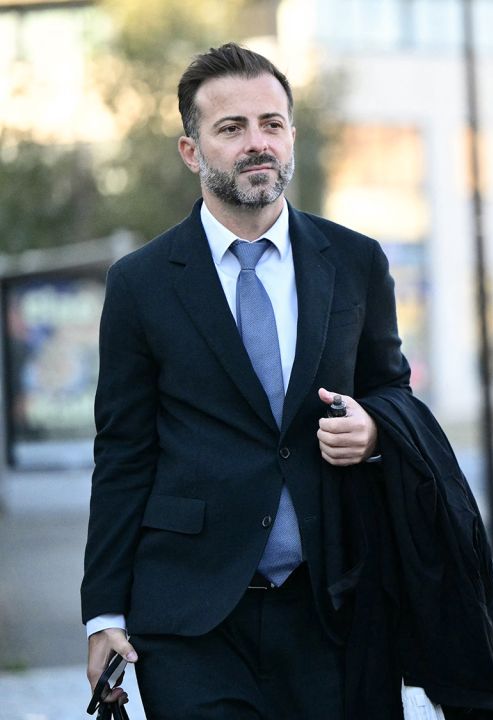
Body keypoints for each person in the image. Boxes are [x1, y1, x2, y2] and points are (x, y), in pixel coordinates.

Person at [80, 43, 413, 718]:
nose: (256, 143)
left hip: (335, 607)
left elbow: (393, 392)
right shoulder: (141, 284)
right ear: (191, 150)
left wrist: (375, 427)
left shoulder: (355, 261)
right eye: (231, 129)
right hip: (190, 618)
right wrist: (102, 613)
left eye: (271, 123)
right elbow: (122, 452)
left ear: (291, 136)